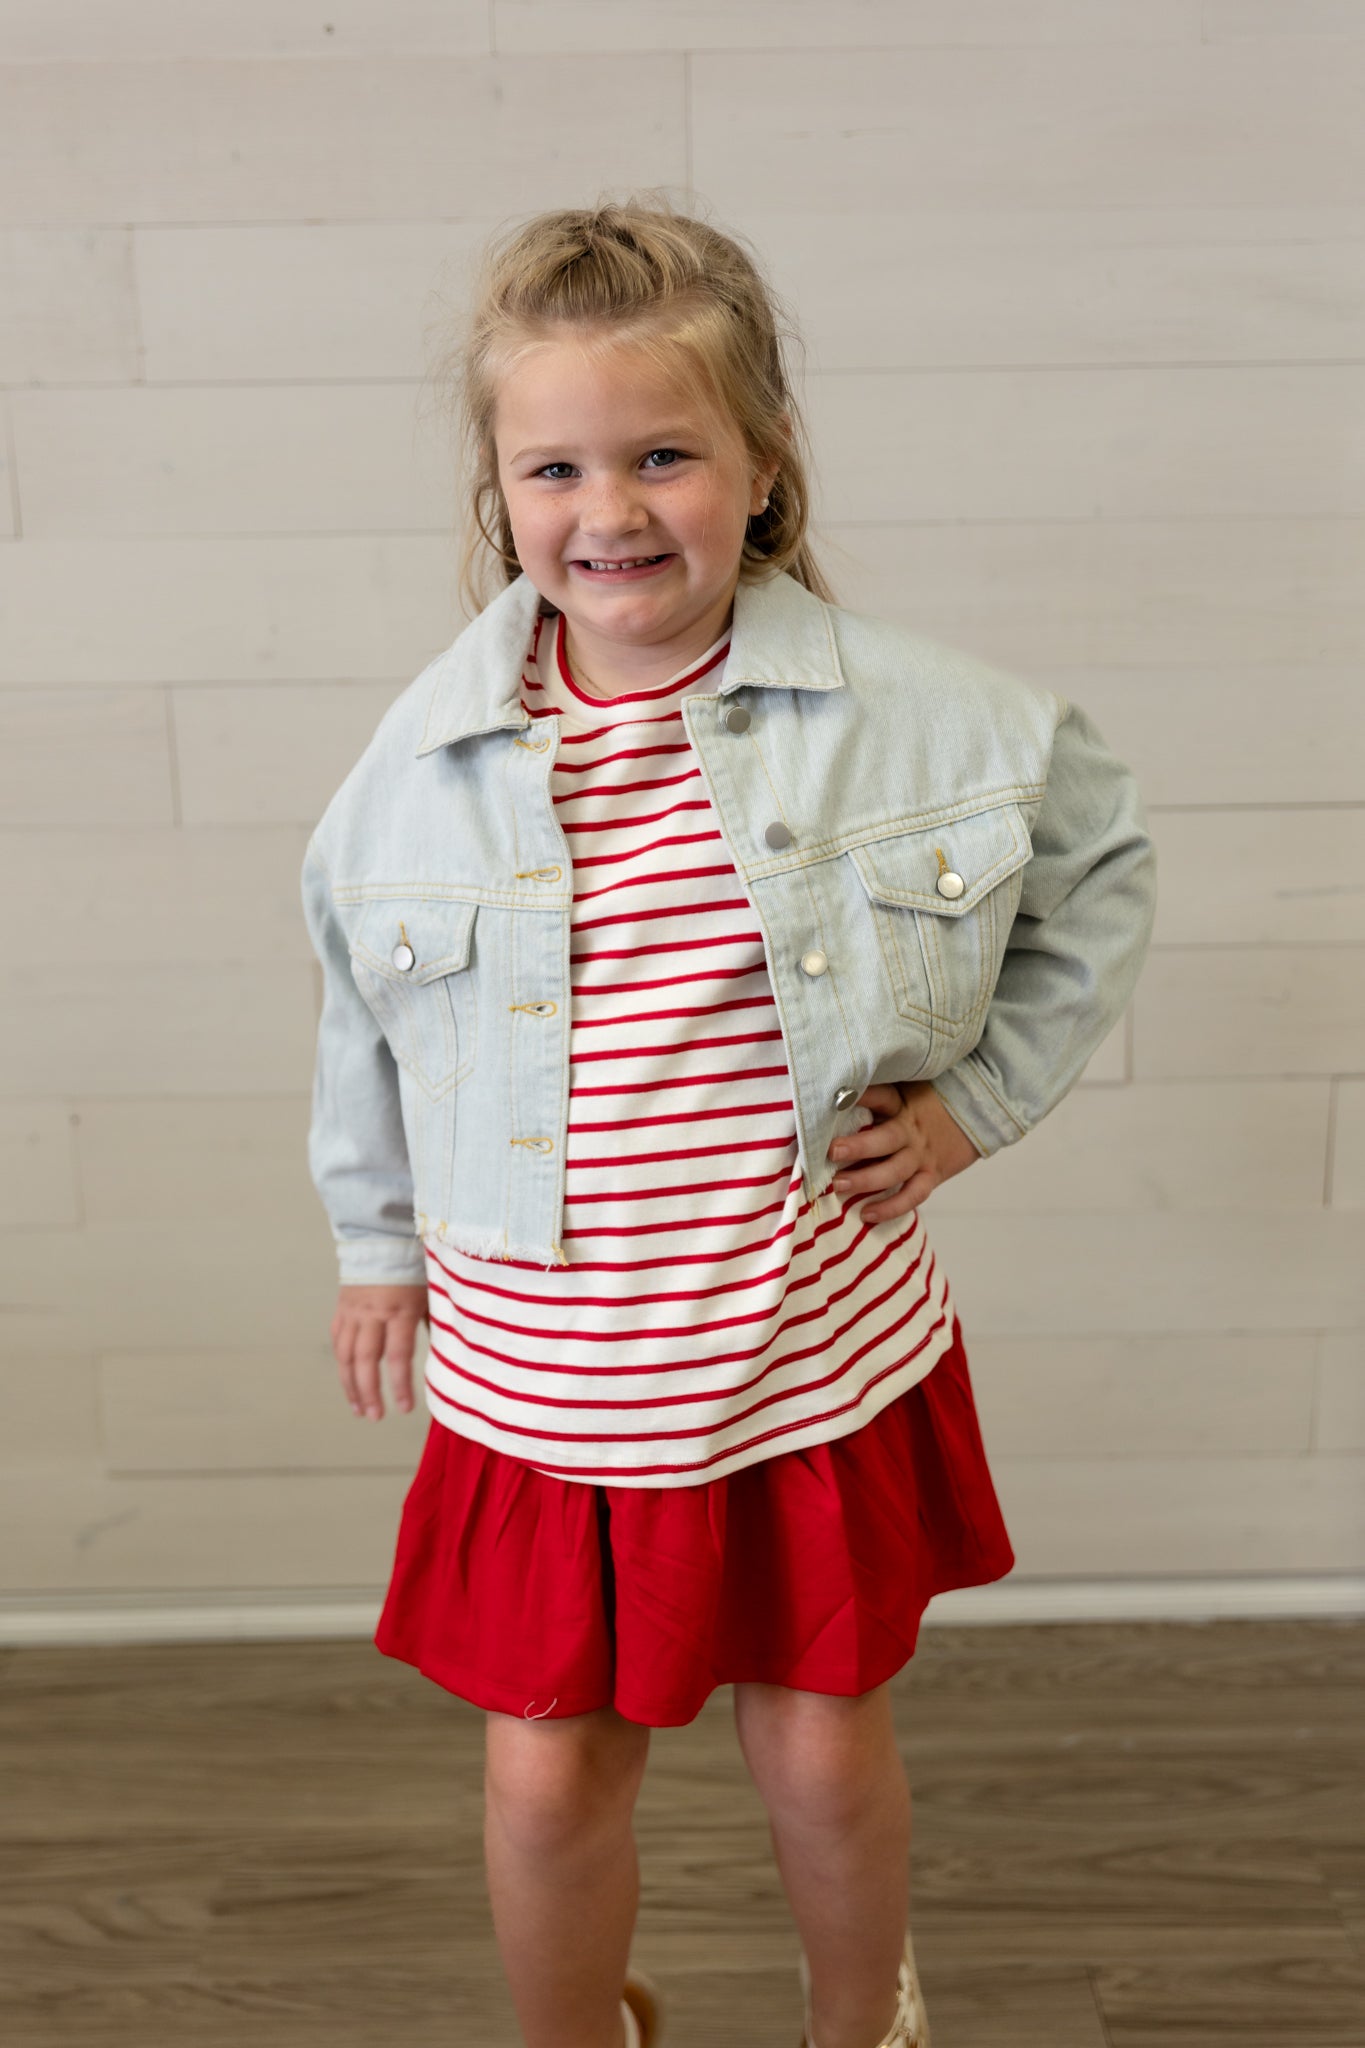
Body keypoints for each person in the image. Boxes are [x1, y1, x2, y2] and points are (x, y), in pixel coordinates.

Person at [300, 195, 1157, 2048]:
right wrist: (373, 1246)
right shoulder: (427, 765)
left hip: (798, 1348)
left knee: (822, 1749)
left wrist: (975, 1102)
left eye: (663, 456)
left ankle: (860, 2025)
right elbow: (361, 1002)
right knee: (545, 1776)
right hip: (548, 1377)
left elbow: (1097, 861)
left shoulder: (908, 717)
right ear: (499, 493)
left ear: (762, 469)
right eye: (554, 467)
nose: (607, 510)